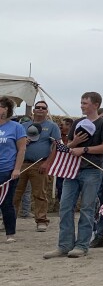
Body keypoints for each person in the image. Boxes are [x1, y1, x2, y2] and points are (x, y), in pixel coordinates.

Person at [43, 92, 103, 259]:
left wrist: (85, 149)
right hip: (71, 169)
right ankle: (64, 245)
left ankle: (82, 245)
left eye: (85, 103)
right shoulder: (77, 122)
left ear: (95, 105)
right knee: (65, 207)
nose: (82, 105)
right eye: (81, 102)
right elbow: (67, 147)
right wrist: (73, 144)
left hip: (92, 170)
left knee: (87, 208)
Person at [13, 100, 61, 232]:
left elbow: (56, 146)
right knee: (15, 193)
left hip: (40, 163)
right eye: (37, 107)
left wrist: (47, 163)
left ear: (46, 111)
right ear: (33, 110)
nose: (40, 109)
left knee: (40, 193)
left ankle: (41, 221)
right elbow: (14, 143)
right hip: (22, 163)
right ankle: (10, 220)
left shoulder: (52, 126)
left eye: (43, 108)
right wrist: (22, 143)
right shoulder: (23, 125)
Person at [0, 96, 27, 243]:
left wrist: (17, 169)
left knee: (6, 202)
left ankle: (10, 233)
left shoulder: (16, 127)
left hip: (7, 170)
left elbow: (21, 150)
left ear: (6, 109)